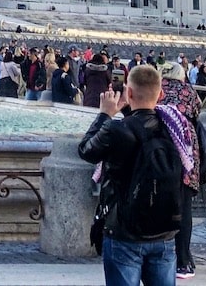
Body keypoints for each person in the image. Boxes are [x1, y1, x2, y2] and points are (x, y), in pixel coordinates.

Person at [77, 64, 183, 286]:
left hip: (124, 230)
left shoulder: (116, 129)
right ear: (161, 94)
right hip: (164, 230)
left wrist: (105, 114)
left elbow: (86, 151)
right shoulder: (174, 127)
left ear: (129, 92)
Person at [159, 61, 203, 280]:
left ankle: (158, 256)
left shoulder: (156, 88)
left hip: (159, 152)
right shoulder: (188, 90)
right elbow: (197, 112)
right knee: (184, 210)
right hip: (185, 152)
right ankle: (184, 260)